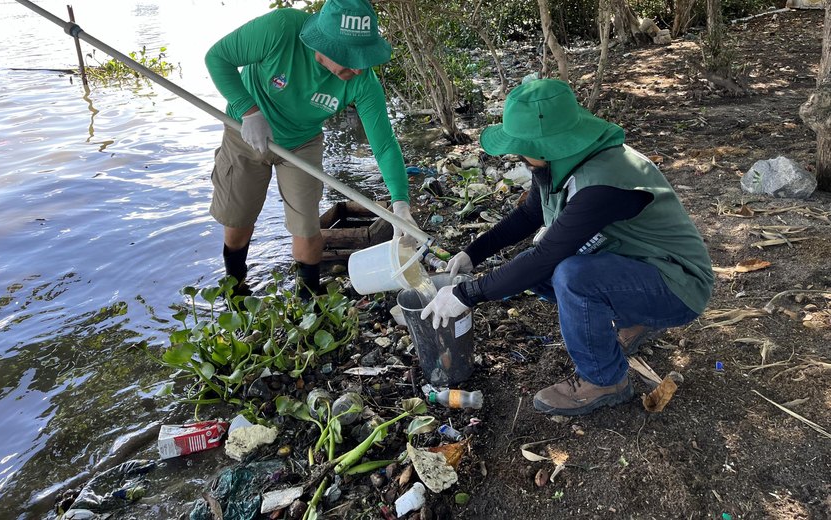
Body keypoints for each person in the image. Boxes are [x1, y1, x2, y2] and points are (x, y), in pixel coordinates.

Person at [421, 79, 714, 416]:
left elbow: (546, 257)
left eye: (521, 148)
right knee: (538, 272)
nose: (518, 156)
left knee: (572, 277)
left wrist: (466, 295)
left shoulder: (602, 183)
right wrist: (472, 253)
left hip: (679, 287)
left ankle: (605, 380)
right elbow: (529, 215)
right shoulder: (559, 162)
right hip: (639, 267)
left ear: (545, 146)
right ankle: (633, 319)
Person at [205, 0, 418, 298]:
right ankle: (236, 289)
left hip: (301, 143)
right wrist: (248, 111)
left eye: (362, 57)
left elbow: (383, 145)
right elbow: (218, 58)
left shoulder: (363, 81)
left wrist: (401, 204)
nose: (358, 67)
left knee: (306, 229)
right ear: (323, 43)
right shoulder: (280, 29)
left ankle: (307, 301)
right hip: (246, 133)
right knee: (238, 222)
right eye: (349, 57)